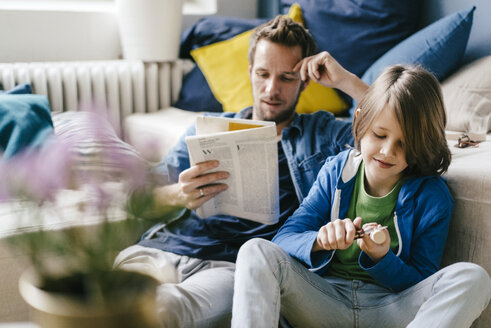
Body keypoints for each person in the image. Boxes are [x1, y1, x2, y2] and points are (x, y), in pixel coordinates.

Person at [113, 15, 369, 327]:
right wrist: (177, 194)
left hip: (229, 268)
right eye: (262, 74)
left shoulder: (322, 133)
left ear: (304, 81)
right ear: (249, 72)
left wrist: (345, 81)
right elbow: (135, 197)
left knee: (160, 308)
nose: (271, 89)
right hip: (163, 248)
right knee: (104, 296)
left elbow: (393, 128)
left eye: (286, 78)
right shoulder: (206, 128)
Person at [231, 64, 491, 327]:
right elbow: (284, 239)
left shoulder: (433, 196)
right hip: (323, 301)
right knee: (255, 250)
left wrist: (382, 258)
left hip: (391, 308)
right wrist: (320, 240)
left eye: (404, 143)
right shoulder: (336, 171)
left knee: (473, 277)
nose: (388, 151)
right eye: (380, 135)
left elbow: (421, 280)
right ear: (360, 120)